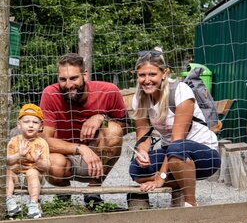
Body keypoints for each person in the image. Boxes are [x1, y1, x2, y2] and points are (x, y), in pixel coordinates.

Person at [129, 48, 220, 208]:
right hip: (173, 153)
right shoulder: (139, 98)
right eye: (142, 75)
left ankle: (190, 204)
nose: (147, 80)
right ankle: (177, 186)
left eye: (152, 74)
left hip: (205, 155)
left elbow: (177, 140)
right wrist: (142, 152)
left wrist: (160, 177)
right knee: (136, 169)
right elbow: (142, 135)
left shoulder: (180, 91)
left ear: (164, 73)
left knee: (177, 149)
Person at [39, 53, 126, 209]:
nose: (68, 85)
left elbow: (123, 127)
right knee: (51, 163)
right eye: (63, 79)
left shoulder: (108, 91)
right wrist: (80, 148)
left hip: (97, 156)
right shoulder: (50, 94)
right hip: (64, 154)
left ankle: (93, 192)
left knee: (113, 130)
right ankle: (64, 193)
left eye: (73, 78)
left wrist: (101, 117)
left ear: (85, 75)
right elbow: (44, 140)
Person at [6, 103, 51, 219]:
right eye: (26, 122)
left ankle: (33, 205)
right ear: (19, 125)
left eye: (35, 122)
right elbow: (8, 161)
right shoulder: (14, 141)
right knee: (8, 171)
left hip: (35, 177)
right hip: (17, 176)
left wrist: (37, 161)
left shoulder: (42, 143)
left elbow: (47, 166)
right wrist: (19, 155)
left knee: (32, 172)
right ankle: (9, 202)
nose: (30, 125)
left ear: (41, 126)